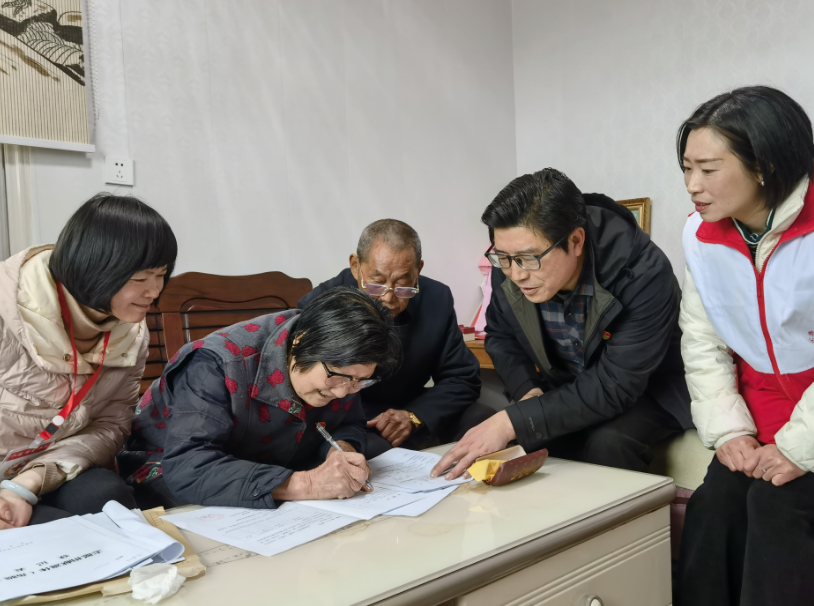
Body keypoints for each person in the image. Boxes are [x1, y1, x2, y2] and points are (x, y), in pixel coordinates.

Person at [675, 86, 814, 606]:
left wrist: (799, 449)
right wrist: (729, 431)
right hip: (764, 406)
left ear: (765, 166)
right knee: (715, 505)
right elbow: (702, 340)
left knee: (776, 504)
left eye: (708, 169)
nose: (692, 185)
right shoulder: (699, 235)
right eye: (687, 168)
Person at [432, 168, 692, 480]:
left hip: (648, 389)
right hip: (570, 385)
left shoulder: (643, 272)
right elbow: (501, 335)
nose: (516, 274)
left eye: (529, 259)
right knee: (530, 437)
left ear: (576, 240)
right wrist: (527, 390)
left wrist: (512, 421)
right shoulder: (513, 260)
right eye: (503, 257)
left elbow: (616, 385)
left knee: (608, 442)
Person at [126, 287, 402, 508]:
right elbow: (189, 467)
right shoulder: (216, 365)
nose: (343, 392)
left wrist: (340, 450)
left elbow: (349, 421)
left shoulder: (345, 368)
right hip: (172, 466)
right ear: (300, 342)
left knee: (375, 458)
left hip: (277, 460)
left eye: (359, 381)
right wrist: (308, 484)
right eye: (337, 376)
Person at [0, 193, 177, 529]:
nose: (154, 291)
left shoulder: (131, 333)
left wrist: (29, 482)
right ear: (91, 268)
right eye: (140, 279)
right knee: (44, 531)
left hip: (49, 463)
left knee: (106, 498)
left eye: (161, 275)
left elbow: (112, 424)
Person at [298, 219, 485, 460]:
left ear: (417, 270)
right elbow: (309, 388)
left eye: (402, 285)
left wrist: (414, 415)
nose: (388, 298)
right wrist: (368, 421)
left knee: (484, 422)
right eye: (376, 284)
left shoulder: (437, 298)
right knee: (378, 453)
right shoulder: (320, 305)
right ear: (356, 266)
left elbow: (462, 377)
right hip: (352, 418)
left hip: (414, 409)